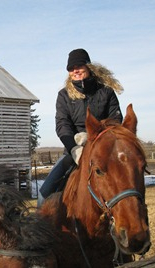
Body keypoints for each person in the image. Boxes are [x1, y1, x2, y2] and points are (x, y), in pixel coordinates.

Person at [38, 48, 123, 206]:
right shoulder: (64, 95)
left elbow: (116, 121)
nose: (75, 70)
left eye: (79, 66)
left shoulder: (106, 92)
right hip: (74, 151)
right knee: (44, 195)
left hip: (102, 150)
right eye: (71, 68)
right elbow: (62, 125)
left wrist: (94, 137)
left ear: (89, 67)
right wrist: (74, 148)